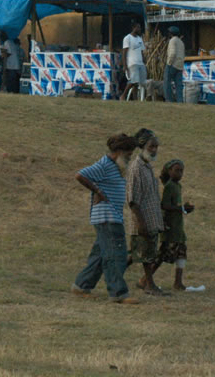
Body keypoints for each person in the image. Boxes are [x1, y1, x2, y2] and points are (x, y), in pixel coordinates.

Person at [71, 133, 139, 304]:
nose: (130, 158)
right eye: (128, 155)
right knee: (116, 254)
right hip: (107, 217)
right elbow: (80, 175)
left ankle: (81, 286)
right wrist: (98, 191)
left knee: (101, 255)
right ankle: (118, 293)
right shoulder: (104, 164)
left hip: (111, 216)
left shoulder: (115, 167)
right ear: (118, 151)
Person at [127, 128, 166, 296]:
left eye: (156, 146)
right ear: (142, 146)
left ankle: (113, 277)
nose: (155, 149)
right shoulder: (136, 168)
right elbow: (132, 199)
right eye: (151, 146)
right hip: (142, 221)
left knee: (141, 254)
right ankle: (149, 285)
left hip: (151, 219)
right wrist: (140, 222)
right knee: (145, 256)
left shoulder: (147, 167)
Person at [157, 159, 194, 291]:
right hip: (170, 226)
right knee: (164, 254)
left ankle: (178, 282)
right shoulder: (169, 186)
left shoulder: (177, 186)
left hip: (177, 226)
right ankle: (145, 279)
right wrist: (181, 208)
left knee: (181, 252)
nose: (180, 173)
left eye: (181, 171)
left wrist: (185, 209)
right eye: (177, 170)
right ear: (169, 171)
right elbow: (164, 205)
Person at [122, 22, 147, 101]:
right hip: (132, 63)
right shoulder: (127, 38)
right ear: (133, 28)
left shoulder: (139, 39)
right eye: (138, 27)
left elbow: (142, 51)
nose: (139, 29)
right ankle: (123, 95)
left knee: (139, 82)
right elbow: (124, 53)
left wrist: (144, 61)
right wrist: (125, 66)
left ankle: (135, 99)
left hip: (140, 63)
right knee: (133, 81)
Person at [164, 26, 185, 103]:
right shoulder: (181, 42)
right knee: (179, 85)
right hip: (180, 66)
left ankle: (169, 99)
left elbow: (172, 53)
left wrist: (169, 63)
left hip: (172, 64)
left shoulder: (172, 40)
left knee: (167, 82)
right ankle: (180, 101)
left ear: (171, 33)